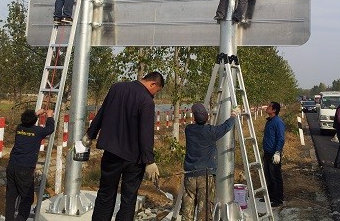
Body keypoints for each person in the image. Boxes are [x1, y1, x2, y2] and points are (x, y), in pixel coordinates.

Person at [83, 71, 165, 221]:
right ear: (153, 84)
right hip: (134, 159)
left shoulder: (117, 88)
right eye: (157, 91)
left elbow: (102, 112)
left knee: (105, 194)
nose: (155, 94)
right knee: (128, 198)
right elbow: (146, 133)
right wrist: (149, 160)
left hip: (111, 153)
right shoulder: (146, 101)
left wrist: (90, 134)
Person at [181, 103, 240, 221]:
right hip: (205, 177)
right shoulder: (211, 132)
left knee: (188, 209)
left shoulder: (189, 129)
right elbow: (226, 126)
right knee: (204, 211)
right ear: (207, 117)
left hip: (190, 175)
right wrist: (234, 114)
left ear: (194, 118)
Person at [5, 108, 55, 221]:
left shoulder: (19, 128)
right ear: (34, 120)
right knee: (27, 198)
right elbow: (50, 129)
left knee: (11, 197)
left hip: (12, 166)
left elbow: (26, 121)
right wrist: (50, 116)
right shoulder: (38, 131)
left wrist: (36, 114)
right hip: (25, 169)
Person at [262, 101, 285, 207]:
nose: (267, 107)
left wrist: (277, 152)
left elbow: (281, 138)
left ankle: (278, 199)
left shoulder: (278, 122)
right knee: (268, 175)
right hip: (267, 152)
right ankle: (270, 196)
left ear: (274, 110)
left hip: (273, 153)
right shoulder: (269, 121)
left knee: (275, 176)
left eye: (269, 106)